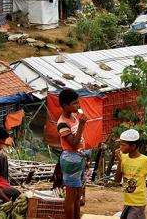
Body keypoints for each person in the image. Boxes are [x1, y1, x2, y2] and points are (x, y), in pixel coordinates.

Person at [57, 88, 87, 219]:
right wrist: (81, 125)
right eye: (74, 103)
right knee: (70, 197)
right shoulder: (62, 124)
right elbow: (74, 144)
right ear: (65, 105)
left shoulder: (73, 117)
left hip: (78, 158)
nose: (78, 105)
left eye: (78, 102)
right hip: (71, 159)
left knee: (77, 196)